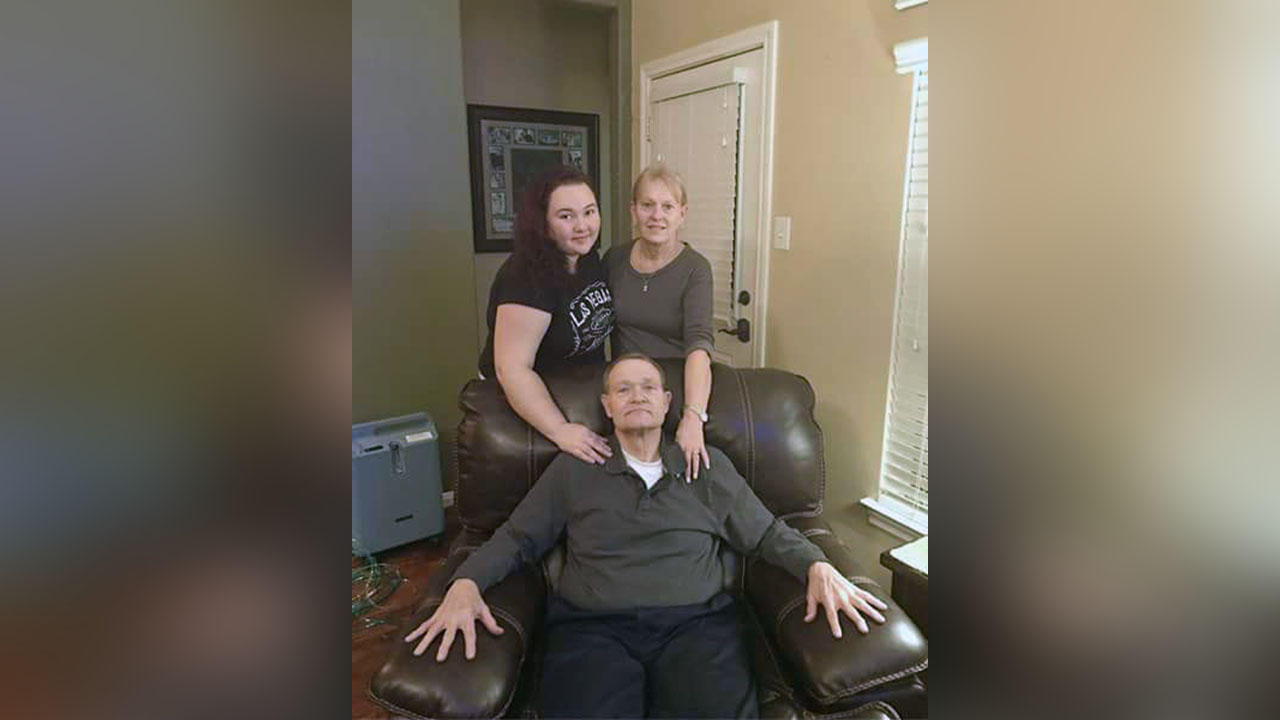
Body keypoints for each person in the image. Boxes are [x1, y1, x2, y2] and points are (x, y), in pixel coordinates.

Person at [405, 354, 889, 719]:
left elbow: (766, 533)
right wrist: (465, 584)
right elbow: (515, 538)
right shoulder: (574, 469)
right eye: (622, 389)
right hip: (591, 630)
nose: (636, 395)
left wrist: (817, 565)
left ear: (666, 402)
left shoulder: (708, 468)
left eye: (648, 387)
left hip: (698, 627)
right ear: (607, 406)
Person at [478, 166, 615, 465]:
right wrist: (559, 429)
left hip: (575, 393)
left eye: (589, 212)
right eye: (566, 216)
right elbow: (512, 368)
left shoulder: (588, 257)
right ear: (544, 225)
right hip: (530, 403)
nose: (583, 226)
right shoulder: (527, 276)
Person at [604, 164, 715, 481]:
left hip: (673, 388)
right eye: (647, 205)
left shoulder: (695, 269)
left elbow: (699, 344)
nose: (657, 215)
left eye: (667, 206)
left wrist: (693, 416)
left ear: (683, 213)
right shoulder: (613, 260)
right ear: (633, 210)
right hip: (624, 386)